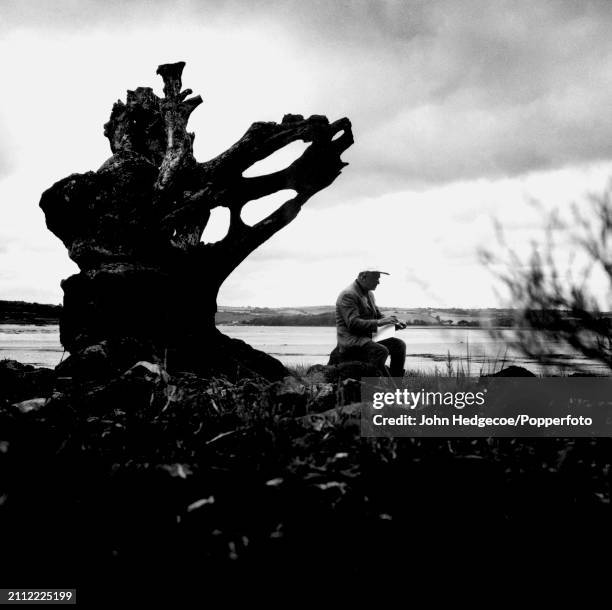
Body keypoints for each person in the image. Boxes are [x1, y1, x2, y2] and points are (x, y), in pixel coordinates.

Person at [334, 269, 407, 376]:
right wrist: (380, 322)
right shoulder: (348, 295)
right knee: (381, 351)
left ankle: (395, 385)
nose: (378, 282)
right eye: (376, 278)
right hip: (351, 341)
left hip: (366, 338)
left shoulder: (369, 294)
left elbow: (378, 316)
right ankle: (375, 382)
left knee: (399, 345)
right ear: (363, 277)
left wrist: (394, 323)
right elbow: (353, 324)